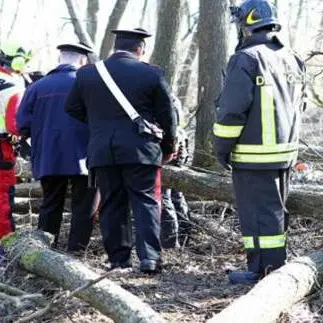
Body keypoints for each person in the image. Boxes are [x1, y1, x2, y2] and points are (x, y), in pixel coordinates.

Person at [65, 28, 177, 274]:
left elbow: (72, 108)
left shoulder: (87, 75)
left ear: (115, 47)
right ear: (141, 49)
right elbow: (167, 116)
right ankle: (149, 259)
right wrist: (168, 146)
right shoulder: (152, 73)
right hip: (142, 150)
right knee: (146, 201)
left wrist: (98, 124)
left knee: (112, 203)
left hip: (102, 150)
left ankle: (118, 260)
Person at [213, 0, 306, 284]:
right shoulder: (293, 57)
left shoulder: (246, 59)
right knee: (274, 214)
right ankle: (271, 267)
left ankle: (263, 272)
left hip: (254, 157)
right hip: (285, 154)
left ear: (246, 25)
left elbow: (231, 112)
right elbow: (299, 106)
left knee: (258, 217)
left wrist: (221, 149)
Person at [17, 43, 96, 251]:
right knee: (84, 205)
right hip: (85, 155)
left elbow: (22, 125)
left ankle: (44, 250)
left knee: (50, 203)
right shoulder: (90, 84)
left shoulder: (36, 87)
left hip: (48, 156)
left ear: (61, 58)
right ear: (82, 60)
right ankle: (77, 251)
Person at [0, 41, 32, 240]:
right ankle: (5, 243)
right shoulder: (13, 86)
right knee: (2, 199)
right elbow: (14, 125)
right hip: (2, 148)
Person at [161, 95, 191, 249]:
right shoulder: (172, 98)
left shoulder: (164, 98)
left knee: (164, 197)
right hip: (180, 145)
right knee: (176, 196)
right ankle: (184, 237)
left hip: (172, 148)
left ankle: (170, 243)